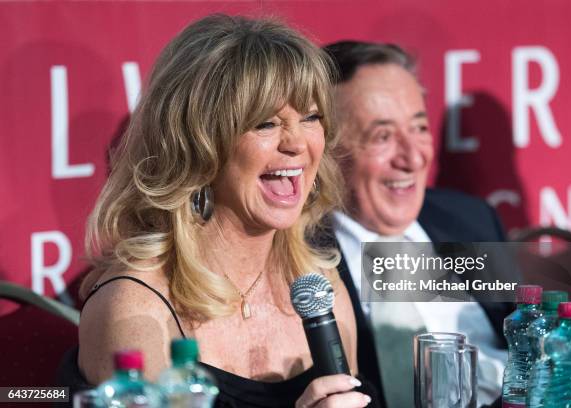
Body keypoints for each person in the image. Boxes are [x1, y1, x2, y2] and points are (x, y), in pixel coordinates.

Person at [75, 15, 377, 408]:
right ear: (199, 146)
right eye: (265, 124)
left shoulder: (320, 287)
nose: (297, 143)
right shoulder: (134, 309)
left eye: (311, 117)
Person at [320, 40, 513, 407]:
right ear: (327, 150)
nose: (412, 157)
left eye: (419, 128)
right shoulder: (291, 258)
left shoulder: (471, 219)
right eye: (383, 137)